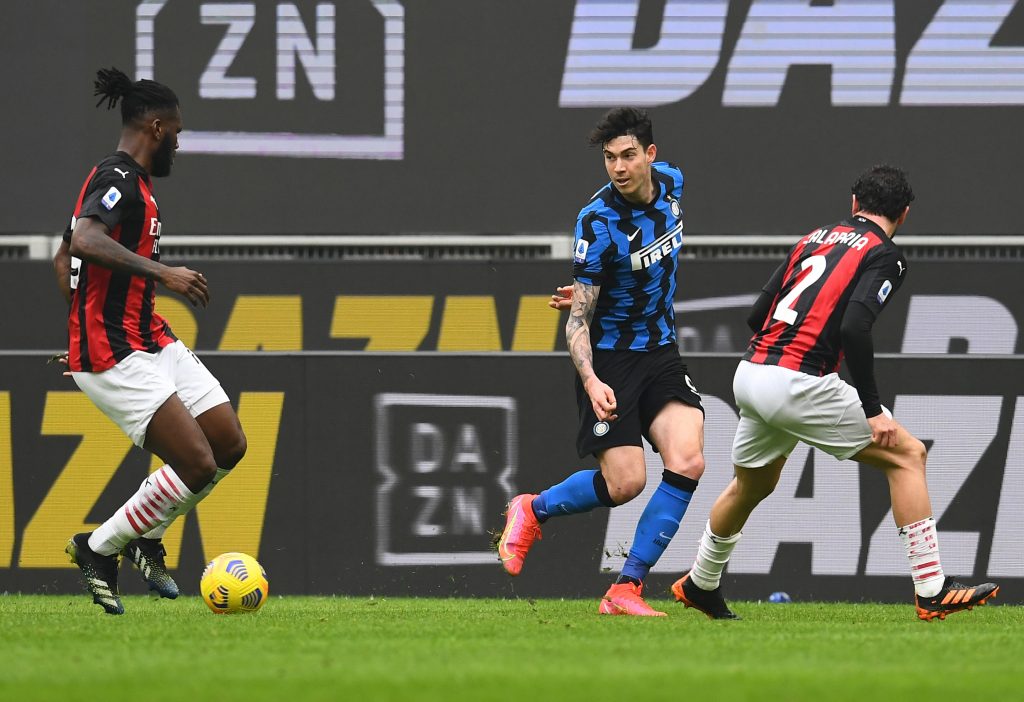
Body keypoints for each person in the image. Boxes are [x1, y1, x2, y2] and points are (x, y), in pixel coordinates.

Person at [671, 164, 999, 621]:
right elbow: (854, 327)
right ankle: (932, 588)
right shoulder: (885, 253)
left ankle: (701, 582)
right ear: (903, 215)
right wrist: (872, 409)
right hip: (798, 380)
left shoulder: (814, 238)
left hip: (752, 372)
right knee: (907, 455)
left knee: (754, 483)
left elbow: (756, 314)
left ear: (853, 204)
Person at [496, 107, 706, 616]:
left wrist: (606, 288)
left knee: (688, 460)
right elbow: (577, 321)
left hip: (659, 351)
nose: (618, 167)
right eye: (610, 158)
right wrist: (590, 380)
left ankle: (625, 589)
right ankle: (532, 509)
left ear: (651, 155)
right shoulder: (596, 220)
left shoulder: (673, 184)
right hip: (609, 360)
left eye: (629, 155)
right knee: (626, 484)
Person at [54, 67, 247, 615]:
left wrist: (76, 317)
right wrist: (163, 275)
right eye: (179, 133)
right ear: (156, 127)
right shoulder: (116, 178)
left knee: (229, 443)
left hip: (149, 336)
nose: (180, 143)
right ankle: (97, 548)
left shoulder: (130, 184)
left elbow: (61, 253)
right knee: (198, 465)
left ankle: (143, 536)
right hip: (114, 351)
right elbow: (84, 241)